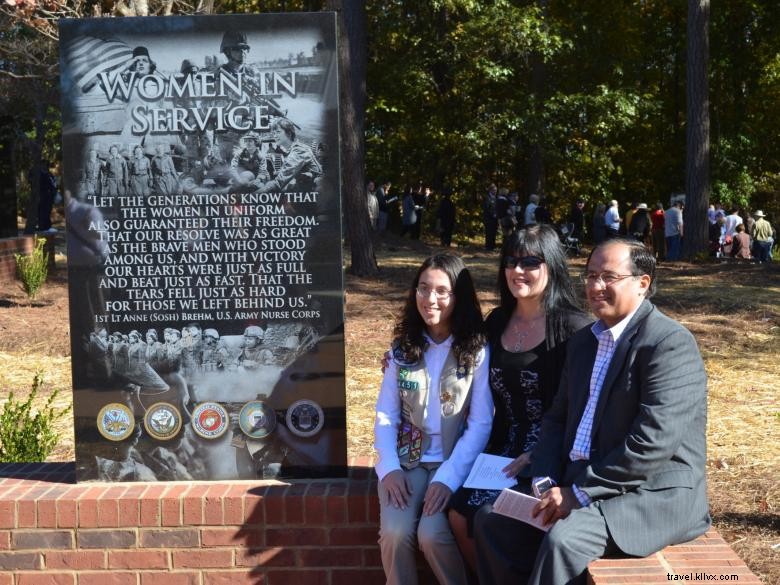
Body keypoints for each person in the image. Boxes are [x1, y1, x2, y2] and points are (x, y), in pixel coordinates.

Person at [474, 238, 709, 585]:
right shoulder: (585, 341)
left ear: (642, 283)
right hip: (580, 481)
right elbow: (556, 419)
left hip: (647, 494)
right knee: (492, 520)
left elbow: (651, 444)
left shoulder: (668, 344)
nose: (596, 286)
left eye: (609, 277)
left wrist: (577, 494)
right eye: (590, 276)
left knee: (563, 541)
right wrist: (545, 479)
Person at [448, 225, 591, 574]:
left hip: (549, 454)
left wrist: (540, 453)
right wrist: (402, 359)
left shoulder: (574, 328)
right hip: (500, 451)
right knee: (455, 513)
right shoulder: (497, 321)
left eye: (530, 261)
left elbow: (585, 409)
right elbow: (457, 361)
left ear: (552, 265)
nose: (518, 271)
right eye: (511, 262)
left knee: (489, 518)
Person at [374, 253, 493, 585]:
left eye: (443, 291)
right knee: (396, 533)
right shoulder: (402, 348)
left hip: (450, 463)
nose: (431, 299)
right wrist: (389, 470)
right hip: (407, 462)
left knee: (432, 535)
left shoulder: (476, 350)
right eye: (424, 288)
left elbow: (481, 422)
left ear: (458, 297)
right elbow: (386, 414)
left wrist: (449, 478)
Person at [252, 118, 322, 193]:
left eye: (278, 132)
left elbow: (279, 183)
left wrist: (251, 197)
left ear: (289, 133)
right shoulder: (291, 150)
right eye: (274, 133)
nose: (275, 136)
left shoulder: (299, 151)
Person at [483, 184, 498, 250]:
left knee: (493, 232)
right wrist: (493, 214)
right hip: (489, 219)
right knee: (489, 232)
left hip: (494, 219)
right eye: (494, 190)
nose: (495, 192)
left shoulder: (495, 198)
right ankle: (488, 246)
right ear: (491, 190)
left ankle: (492, 246)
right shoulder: (487, 198)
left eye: (496, 190)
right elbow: (487, 208)